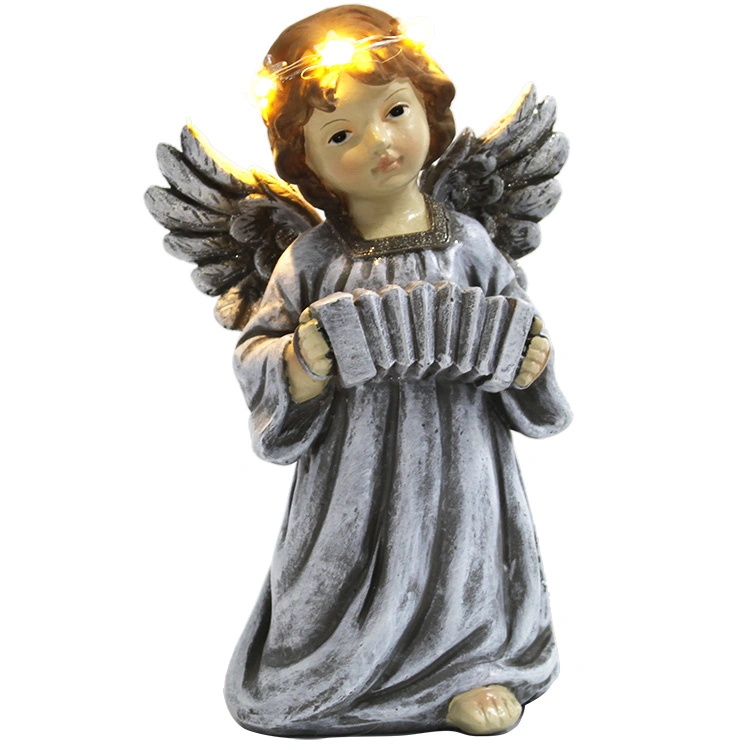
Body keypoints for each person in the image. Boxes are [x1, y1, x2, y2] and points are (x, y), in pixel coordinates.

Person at [224, 5, 572, 736]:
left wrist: (529, 364)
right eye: (341, 134)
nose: (379, 141)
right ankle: (333, 666)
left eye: (395, 111)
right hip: (354, 460)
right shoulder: (311, 259)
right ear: (307, 161)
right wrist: (300, 364)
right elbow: (257, 348)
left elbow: (518, 326)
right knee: (337, 566)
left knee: (463, 550)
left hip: (460, 449)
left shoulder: (468, 241)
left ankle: (467, 665)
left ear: (428, 110)